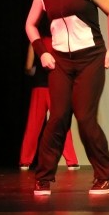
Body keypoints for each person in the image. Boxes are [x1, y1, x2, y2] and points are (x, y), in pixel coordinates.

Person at [25, 0, 109, 196]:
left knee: (85, 117)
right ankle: (43, 177)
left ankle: (105, 176)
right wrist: (42, 52)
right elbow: (30, 25)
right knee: (57, 117)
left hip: (90, 59)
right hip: (61, 62)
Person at [19, 44, 79, 172]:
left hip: (39, 87)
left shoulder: (34, 42)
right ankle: (72, 161)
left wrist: (33, 71)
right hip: (56, 87)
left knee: (33, 125)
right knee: (62, 124)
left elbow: (29, 67)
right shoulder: (59, 40)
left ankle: (25, 161)